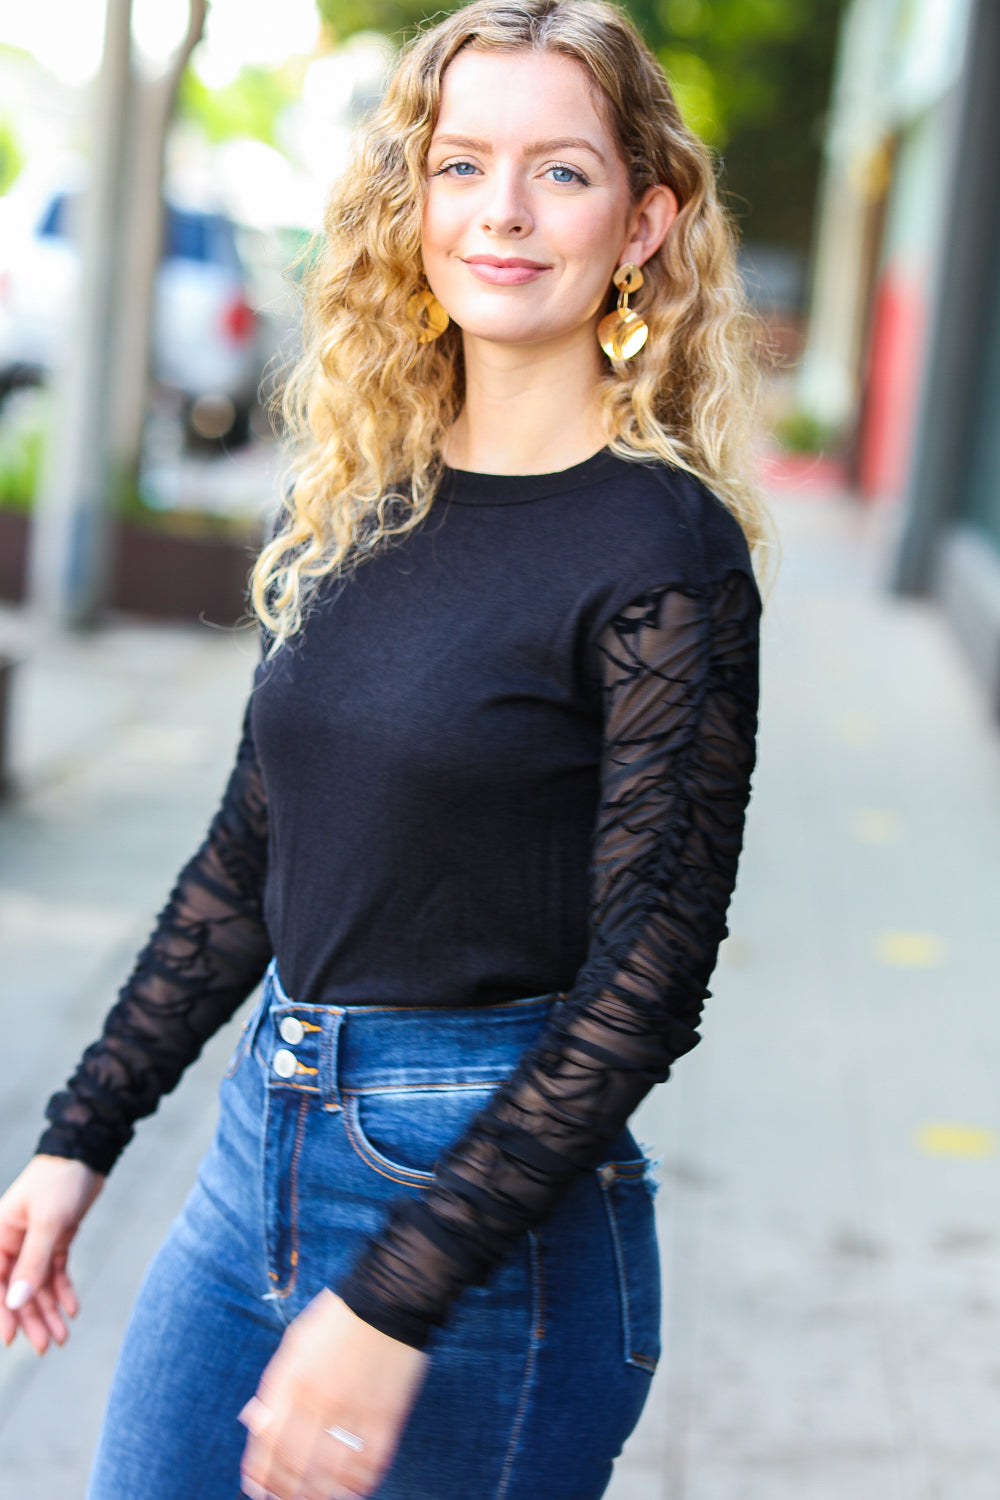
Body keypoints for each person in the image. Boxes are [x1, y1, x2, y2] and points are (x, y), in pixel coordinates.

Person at [0, 1, 770, 1495]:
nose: (501, 210)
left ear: (643, 222)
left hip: (488, 1223)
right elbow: (251, 856)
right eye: (460, 163)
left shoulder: (662, 550)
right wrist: (79, 1136)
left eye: (561, 171)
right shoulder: (361, 502)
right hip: (256, 1160)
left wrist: (392, 1300)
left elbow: (649, 980)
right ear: (411, 199)